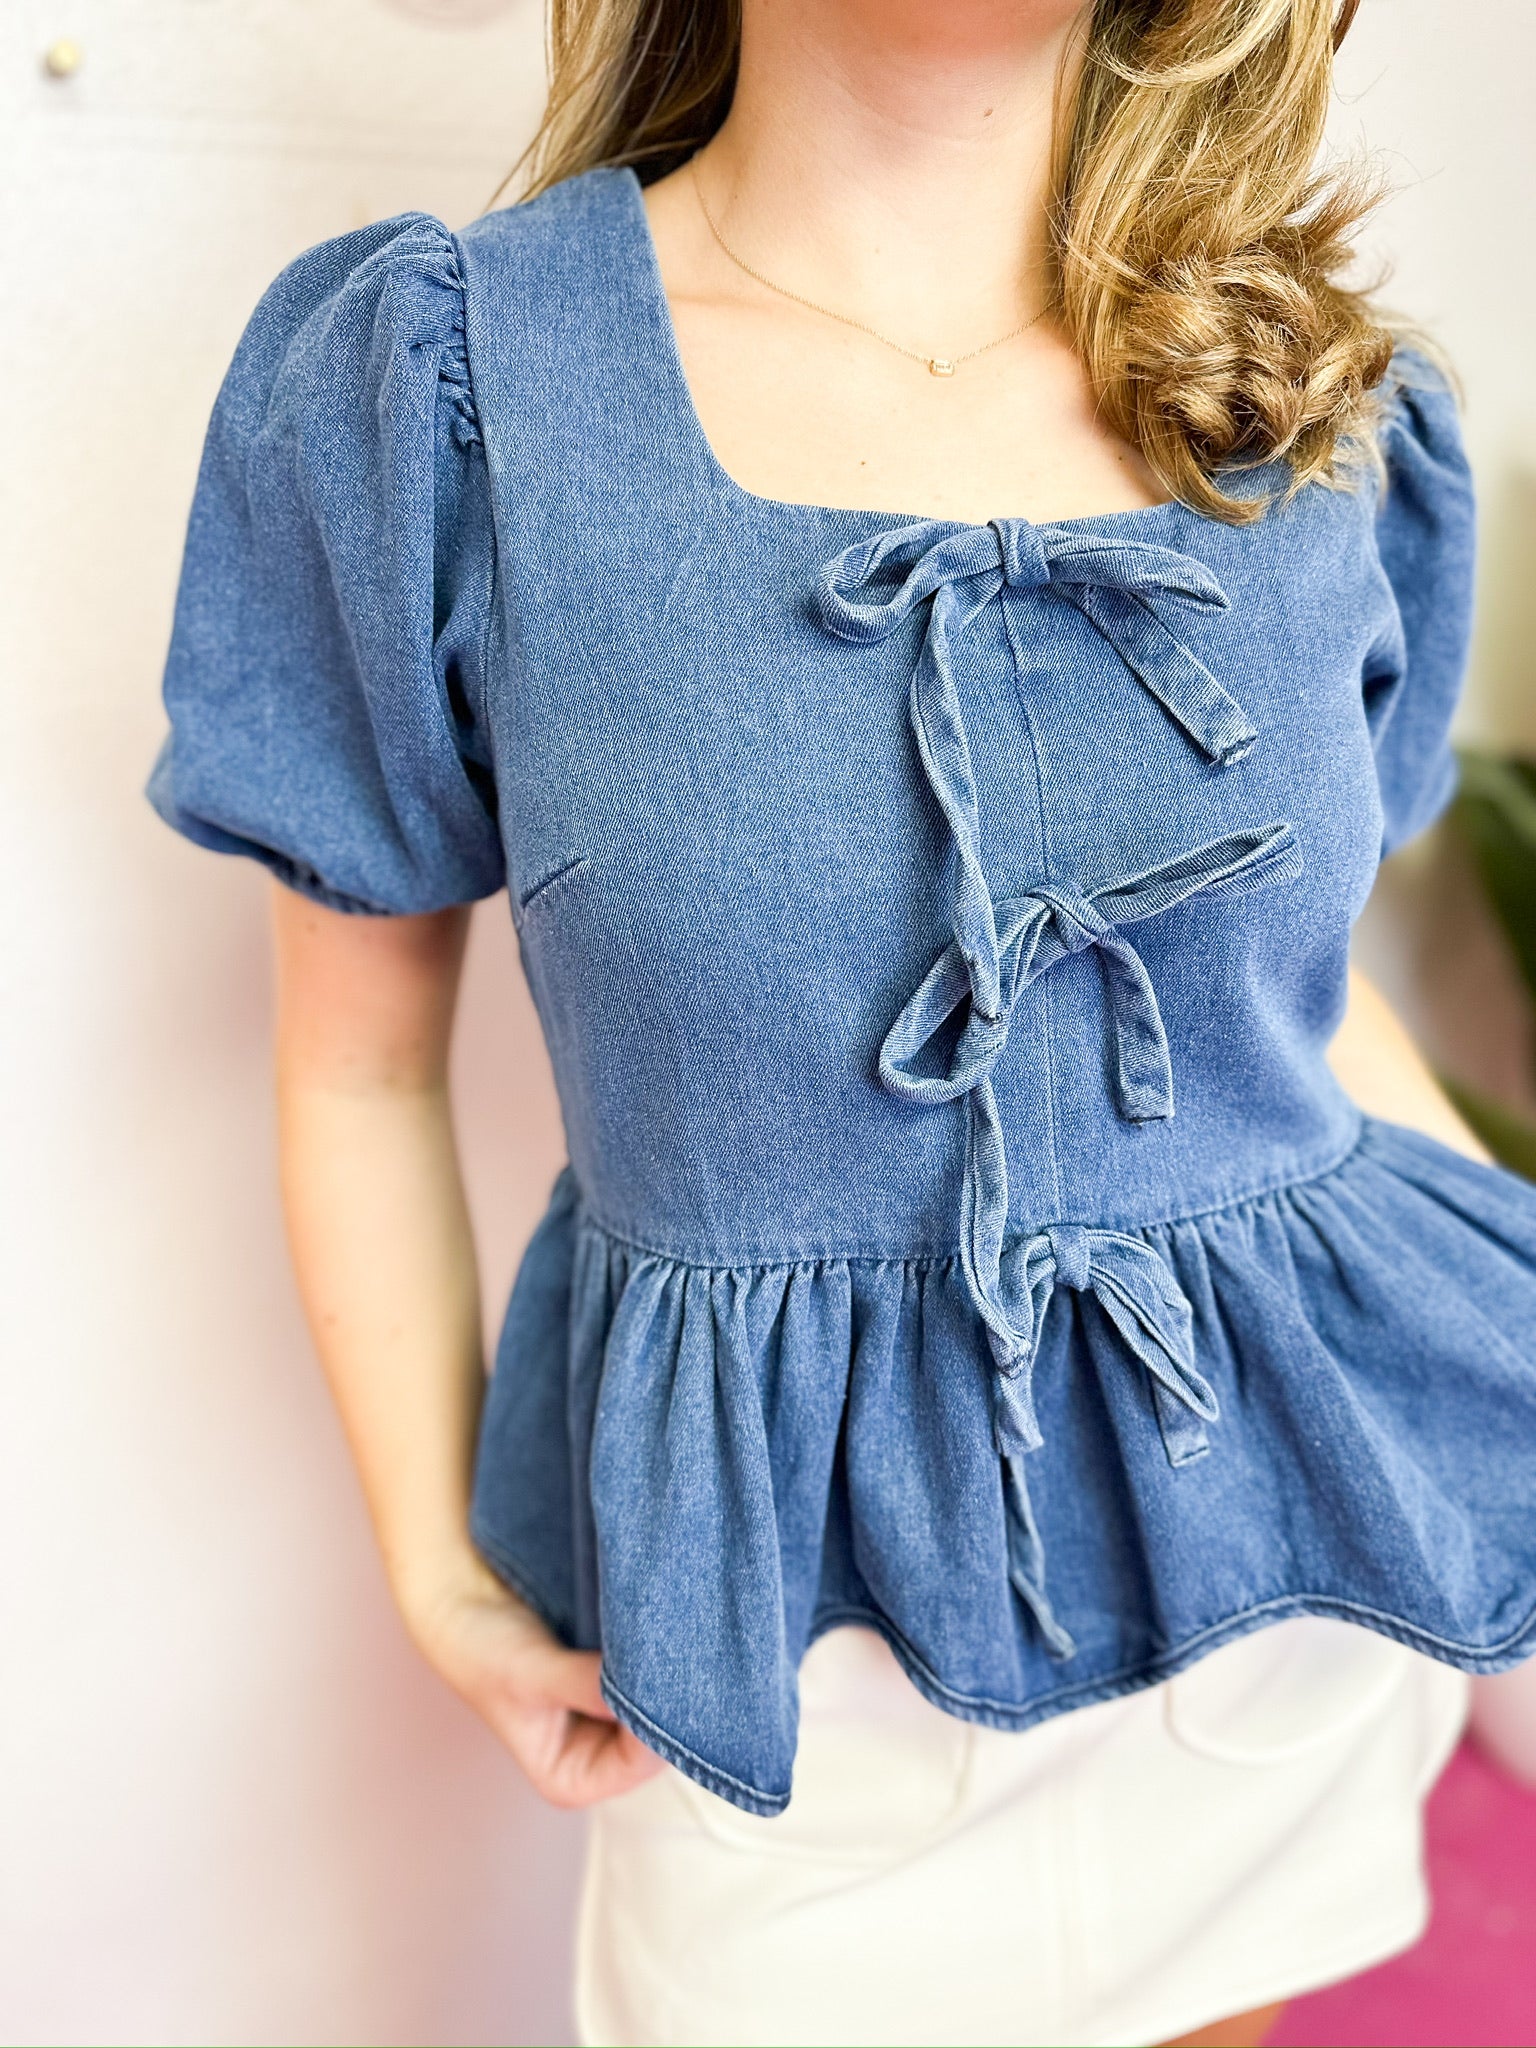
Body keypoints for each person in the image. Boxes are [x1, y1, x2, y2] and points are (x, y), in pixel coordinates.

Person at [145, 0, 1536, 2041]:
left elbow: (1305, 1031)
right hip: (789, 1714)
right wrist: (440, 1576)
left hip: (1271, 1638)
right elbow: (355, 1061)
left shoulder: (1322, 402)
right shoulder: (445, 396)